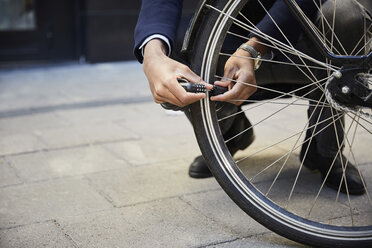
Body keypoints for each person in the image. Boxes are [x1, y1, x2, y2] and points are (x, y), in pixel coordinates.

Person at [134, 0, 370, 195]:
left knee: (345, 13)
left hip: (307, 32)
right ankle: (229, 132)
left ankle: (325, 149)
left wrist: (255, 46)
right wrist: (153, 55)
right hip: (232, 36)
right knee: (174, 44)